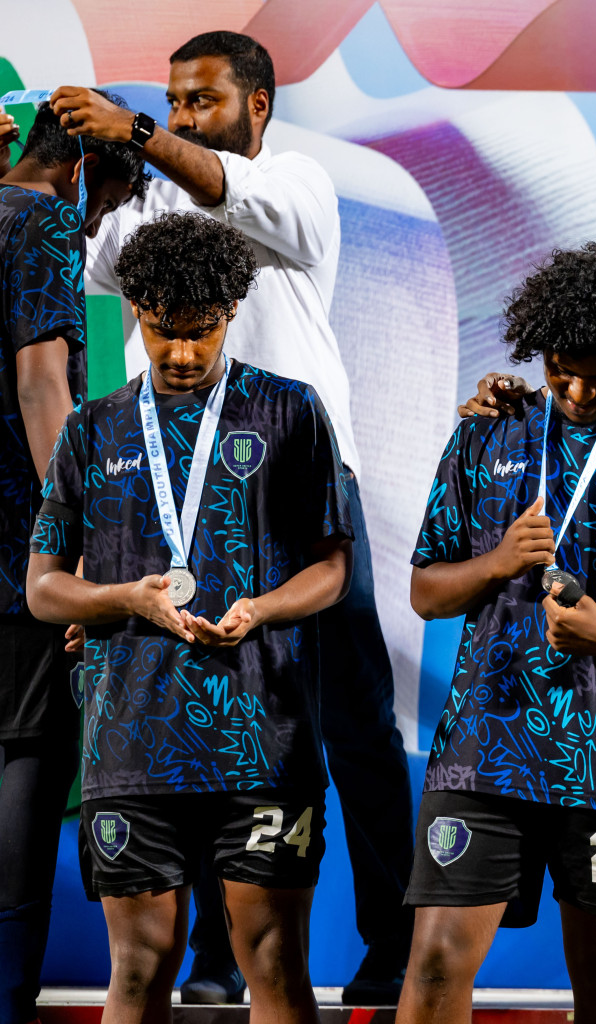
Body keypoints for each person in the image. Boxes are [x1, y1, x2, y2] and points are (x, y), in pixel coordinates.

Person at [54, 30, 416, 1001]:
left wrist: (133, 128)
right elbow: (81, 262)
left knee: (356, 719)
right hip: (179, 487)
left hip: (300, 476)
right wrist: (77, 166)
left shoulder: (298, 182)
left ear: (257, 106)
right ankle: (213, 962)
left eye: (200, 101)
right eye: (170, 103)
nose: (179, 119)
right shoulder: (153, 201)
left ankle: (394, 941)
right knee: (201, 707)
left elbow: (226, 188)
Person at [26, 211, 351, 1024]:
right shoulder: (91, 427)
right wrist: (122, 599)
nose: (180, 352)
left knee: (274, 959)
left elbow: (335, 568)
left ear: (232, 312)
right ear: (133, 305)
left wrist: (263, 609)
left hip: (263, 738)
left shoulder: (290, 411)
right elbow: (42, 587)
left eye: (199, 333)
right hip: (131, 735)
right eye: (163, 330)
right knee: (138, 966)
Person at [397, 244, 596, 1024]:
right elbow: (424, 592)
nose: (576, 389)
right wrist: (498, 561)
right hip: (484, 746)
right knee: (438, 961)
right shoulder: (487, 431)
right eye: (560, 369)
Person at [0, 97, 145, 1024]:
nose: (98, 226)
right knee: (25, 759)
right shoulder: (46, 219)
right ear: (84, 168)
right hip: (15, 550)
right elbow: (40, 382)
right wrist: (76, 548)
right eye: (111, 200)